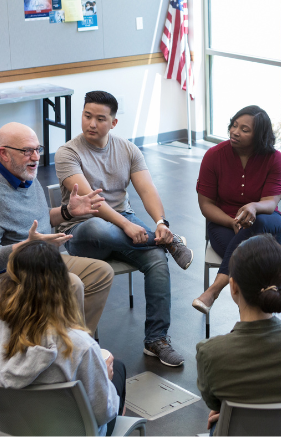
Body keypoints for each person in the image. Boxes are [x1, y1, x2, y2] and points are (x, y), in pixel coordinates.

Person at [54, 90, 193, 367]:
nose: (91, 124)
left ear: (113, 123)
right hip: (83, 231)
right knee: (98, 227)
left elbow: (147, 189)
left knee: (157, 260)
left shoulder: (128, 149)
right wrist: (129, 225)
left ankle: (156, 339)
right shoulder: (67, 153)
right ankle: (165, 241)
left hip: (126, 224)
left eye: (100, 119)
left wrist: (160, 223)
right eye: (87, 116)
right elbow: (93, 202)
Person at [0, 122, 114, 335]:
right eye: (27, 151)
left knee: (100, 273)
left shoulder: (24, 174)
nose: (36, 157)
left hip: (33, 258)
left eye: (38, 149)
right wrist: (26, 247)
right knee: (69, 284)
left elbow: (36, 218)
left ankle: (78, 346)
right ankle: (69, 354)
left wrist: (68, 212)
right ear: (4, 153)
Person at [0, 241, 125, 436]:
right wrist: (105, 379)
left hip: (9, 430)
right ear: (61, 284)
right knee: (119, 371)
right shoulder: (79, 345)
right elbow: (104, 413)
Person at [196, 234, 281, 435]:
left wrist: (236, 414)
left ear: (233, 286)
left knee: (217, 422)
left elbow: (214, 402)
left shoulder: (210, 353)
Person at [193, 105, 281, 314]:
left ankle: (214, 290)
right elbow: (206, 205)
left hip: (267, 222)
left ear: (259, 135)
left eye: (245, 129)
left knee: (257, 225)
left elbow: (271, 203)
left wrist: (254, 207)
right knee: (253, 256)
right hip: (224, 223)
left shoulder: (274, 158)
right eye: (234, 125)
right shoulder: (214, 155)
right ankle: (261, 315)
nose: (235, 131)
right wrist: (232, 222)